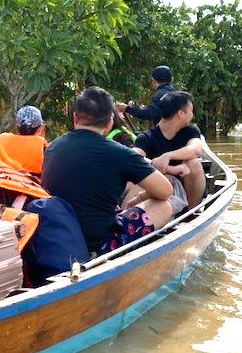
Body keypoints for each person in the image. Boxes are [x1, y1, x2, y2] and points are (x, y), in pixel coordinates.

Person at [42, 87, 174, 255]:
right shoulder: (120, 152)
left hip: (59, 235)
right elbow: (166, 190)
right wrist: (139, 198)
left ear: (75, 118)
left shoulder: (53, 147)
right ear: (110, 123)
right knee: (163, 206)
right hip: (101, 244)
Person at [132, 91, 206, 210]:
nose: (192, 115)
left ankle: (190, 213)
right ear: (181, 114)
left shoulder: (191, 131)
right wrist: (169, 169)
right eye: (191, 110)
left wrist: (168, 156)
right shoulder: (147, 137)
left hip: (186, 186)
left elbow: (195, 149)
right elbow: (134, 157)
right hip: (158, 187)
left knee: (194, 163)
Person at [0, 105, 49, 176]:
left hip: (2, 185)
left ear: (17, 128)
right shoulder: (44, 149)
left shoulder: (0, 141)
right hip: (33, 186)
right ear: (40, 129)